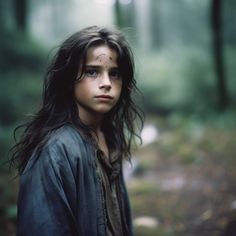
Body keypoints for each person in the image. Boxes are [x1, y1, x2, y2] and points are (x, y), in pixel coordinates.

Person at [10, 25, 144, 236]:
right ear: (69, 78)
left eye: (115, 73)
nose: (106, 83)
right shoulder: (55, 150)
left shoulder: (109, 137)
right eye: (92, 72)